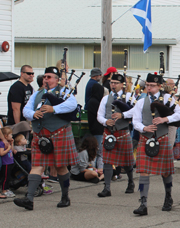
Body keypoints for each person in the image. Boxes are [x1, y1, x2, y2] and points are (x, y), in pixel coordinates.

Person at [14, 67, 79, 210]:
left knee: (61, 167)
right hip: (40, 135)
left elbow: (72, 105)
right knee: (37, 166)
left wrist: (54, 109)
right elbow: (26, 109)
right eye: (44, 77)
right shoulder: (37, 94)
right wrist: (33, 114)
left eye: (49, 77)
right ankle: (29, 199)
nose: (46, 79)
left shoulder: (64, 92)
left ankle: (65, 196)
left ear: (57, 79)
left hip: (59, 134)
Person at [132, 73, 180, 215]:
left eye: (152, 85)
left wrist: (165, 119)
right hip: (146, 138)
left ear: (159, 86)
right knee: (143, 171)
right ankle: (143, 203)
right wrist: (144, 128)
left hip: (162, 138)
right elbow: (135, 120)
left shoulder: (168, 98)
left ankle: (168, 196)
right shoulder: (141, 101)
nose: (149, 88)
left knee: (166, 172)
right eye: (147, 85)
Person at [96, 74, 136, 197]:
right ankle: (107, 188)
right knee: (107, 160)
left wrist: (122, 115)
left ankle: (130, 182)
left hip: (123, 132)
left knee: (128, 160)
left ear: (122, 84)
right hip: (109, 132)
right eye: (111, 82)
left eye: (116, 83)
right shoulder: (105, 98)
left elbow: (136, 111)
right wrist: (105, 121)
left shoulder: (129, 96)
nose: (113, 85)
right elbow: (99, 115)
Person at [86, 83, 105, 169]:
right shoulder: (97, 102)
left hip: (93, 128)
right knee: (99, 152)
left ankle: (94, 169)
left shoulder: (91, 101)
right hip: (99, 129)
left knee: (95, 151)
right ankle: (100, 169)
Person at [0, 127, 14, 198]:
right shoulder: (2, 143)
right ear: (5, 136)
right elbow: (1, 153)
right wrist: (8, 148)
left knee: (8, 177)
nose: (12, 136)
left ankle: (7, 188)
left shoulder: (8, 143)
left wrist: (12, 143)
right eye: (10, 134)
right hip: (5, 163)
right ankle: (4, 190)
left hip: (10, 162)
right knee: (5, 177)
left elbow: (12, 150)